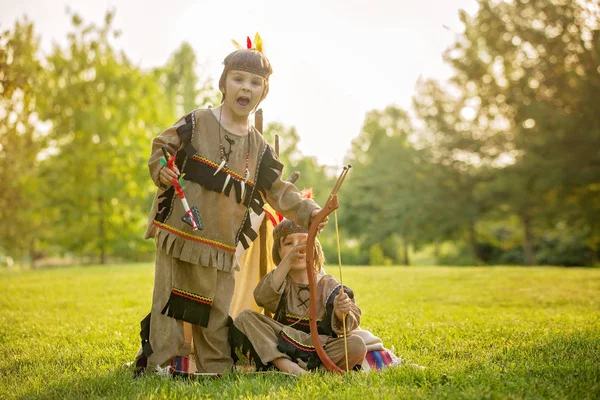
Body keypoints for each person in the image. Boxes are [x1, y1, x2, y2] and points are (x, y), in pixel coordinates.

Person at [135, 35, 326, 375]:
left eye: (255, 83)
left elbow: (279, 191)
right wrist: (163, 169)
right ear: (224, 83)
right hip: (179, 231)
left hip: (220, 246)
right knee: (167, 302)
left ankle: (216, 365)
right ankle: (162, 363)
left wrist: (311, 212)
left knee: (215, 308)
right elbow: (162, 147)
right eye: (238, 79)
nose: (246, 88)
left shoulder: (260, 147)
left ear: (263, 93)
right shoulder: (196, 122)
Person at [231, 219, 367, 375]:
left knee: (356, 345)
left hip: (319, 348)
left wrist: (341, 312)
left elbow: (350, 322)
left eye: (303, 241)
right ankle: (288, 367)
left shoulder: (328, 284)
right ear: (278, 251)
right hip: (282, 343)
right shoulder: (280, 281)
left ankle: (315, 372)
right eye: (288, 243)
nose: (297, 248)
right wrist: (288, 260)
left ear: (314, 248)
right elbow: (262, 298)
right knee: (245, 318)